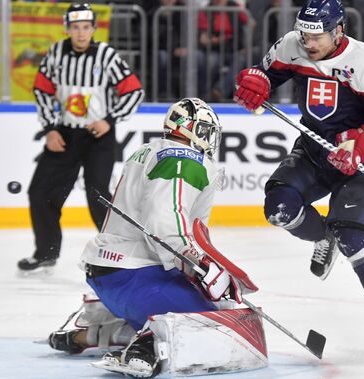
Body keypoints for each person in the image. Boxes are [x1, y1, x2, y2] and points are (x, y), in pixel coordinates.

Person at [233, 0, 364, 353]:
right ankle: (322, 237)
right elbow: (264, 76)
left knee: (354, 237)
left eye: (317, 37)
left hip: (356, 160)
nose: (309, 44)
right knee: (279, 209)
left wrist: (361, 138)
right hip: (314, 151)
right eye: (305, 35)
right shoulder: (292, 45)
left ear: (338, 30)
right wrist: (256, 82)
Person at [47, 98, 265, 377]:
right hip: (136, 275)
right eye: (207, 130)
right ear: (191, 128)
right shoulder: (184, 159)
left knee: (212, 311)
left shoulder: (149, 150)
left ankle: (92, 333)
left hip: (110, 275)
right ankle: (146, 348)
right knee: (217, 326)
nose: (211, 139)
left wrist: (200, 269)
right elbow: (164, 223)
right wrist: (201, 266)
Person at [17, 3, 144, 273]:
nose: (81, 33)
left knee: (97, 194)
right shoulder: (55, 54)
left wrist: (109, 120)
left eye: (86, 27)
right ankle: (46, 253)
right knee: (40, 193)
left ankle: (117, 254)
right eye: (75, 28)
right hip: (64, 133)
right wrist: (50, 128)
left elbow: (133, 91)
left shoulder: (106, 55)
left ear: (94, 29)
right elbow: (42, 90)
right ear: (67, 29)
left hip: (98, 137)